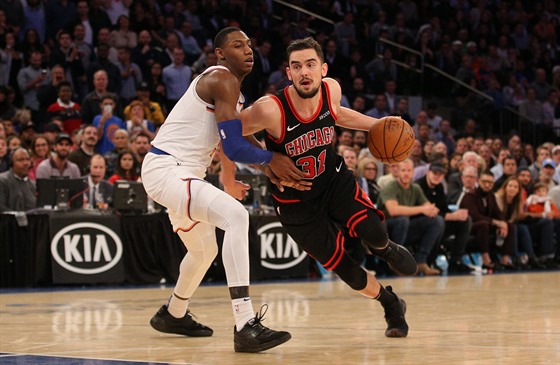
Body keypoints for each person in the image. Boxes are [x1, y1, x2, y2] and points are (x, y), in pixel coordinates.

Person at [239, 37, 416, 339]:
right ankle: (391, 303)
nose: (304, 72)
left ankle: (383, 248)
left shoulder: (331, 89)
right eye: (297, 67)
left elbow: (335, 112)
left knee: (374, 232)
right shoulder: (270, 109)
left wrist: (377, 124)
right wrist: (267, 161)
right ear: (288, 72)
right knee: (346, 269)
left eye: (310, 65)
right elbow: (230, 136)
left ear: (323, 69)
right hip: (296, 202)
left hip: (333, 180)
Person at [141, 27, 300, 353]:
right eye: (238, 45)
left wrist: (231, 179)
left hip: (180, 174)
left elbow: (232, 140)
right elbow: (236, 146)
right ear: (220, 54)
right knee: (236, 216)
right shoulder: (220, 77)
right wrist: (272, 160)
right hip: (168, 168)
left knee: (203, 252)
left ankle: (173, 313)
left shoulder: (234, 94)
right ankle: (245, 324)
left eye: (250, 44)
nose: (247, 50)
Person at [377, 159, 445, 275]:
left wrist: (429, 209)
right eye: (403, 170)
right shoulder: (391, 187)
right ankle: (396, 263)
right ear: (397, 171)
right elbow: (393, 210)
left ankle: (421, 261)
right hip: (386, 229)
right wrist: (423, 209)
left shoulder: (415, 188)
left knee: (437, 221)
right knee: (402, 220)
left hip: (405, 227)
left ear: (413, 172)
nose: (406, 173)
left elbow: (431, 209)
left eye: (409, 170)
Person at [416, 162, 474, 273]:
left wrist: (457, 214)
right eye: (435, 173)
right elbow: (426, 212)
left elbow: (443, 208)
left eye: (441, 174)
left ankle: (455, 261)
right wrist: (450, 215)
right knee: (438, 221)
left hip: (438, 221)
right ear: (428, 172)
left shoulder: (439, 187)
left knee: (465, 220)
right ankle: (429, 260)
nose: (438, 176)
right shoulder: (419, 186)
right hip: (421, 223)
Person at [459, 170, 515, 271]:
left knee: (510, 226)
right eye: (484, 181)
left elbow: (498, 213)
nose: (487, 185)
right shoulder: (470, 196)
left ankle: (505, 259)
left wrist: (503, 224)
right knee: (483, 225)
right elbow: (474, 216)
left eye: (490, 183)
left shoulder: (490, 196)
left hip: (486, 225)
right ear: (478, 181)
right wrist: (496, 222)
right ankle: (486, 260)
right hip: (468, 226)